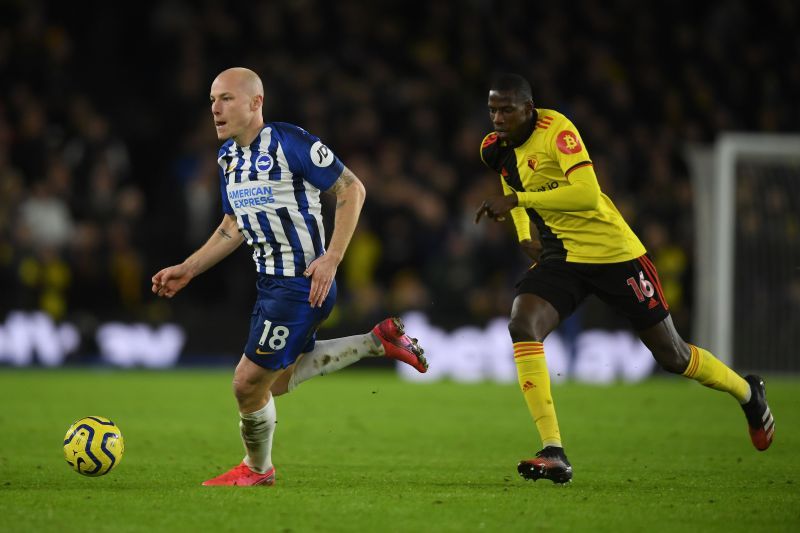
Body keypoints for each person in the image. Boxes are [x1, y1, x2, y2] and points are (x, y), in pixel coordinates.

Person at [474, 72, 774, 484]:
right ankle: (554, 450)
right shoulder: (496, 149)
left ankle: (747, 392)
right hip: (563, 253)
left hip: (615, 253)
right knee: (522, 323)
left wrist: (519, 201)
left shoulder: (557, 130)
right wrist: (525, 233)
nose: (497, 117)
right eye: (492, 109)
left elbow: (586, 192)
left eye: (506, 109)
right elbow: (513, 181)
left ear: (529, 108)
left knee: (674, 357)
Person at [152, 67, 428, 487]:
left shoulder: (290, 142)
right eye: (212, 100)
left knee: (246, 384)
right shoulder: (227, 158)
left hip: (302, 284)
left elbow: (352, 190)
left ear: (255, 102)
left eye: (226, 98)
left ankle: (258, 469)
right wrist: (189, 268)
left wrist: (333, 258)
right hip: (272, 286)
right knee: (274, 383)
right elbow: (234, 225)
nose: (215, 108)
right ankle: (377, 341)